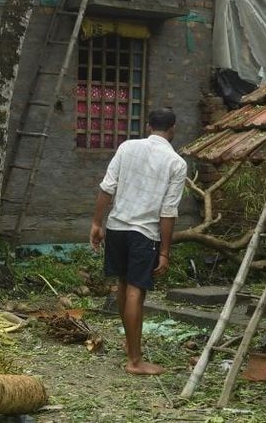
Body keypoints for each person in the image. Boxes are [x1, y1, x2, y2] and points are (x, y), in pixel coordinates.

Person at [89, 108, 187, 375]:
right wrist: (164, 252)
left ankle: (129, 342)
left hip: (116, 228)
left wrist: (97, 223)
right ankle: (134, 360)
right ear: (173, 128)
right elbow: (168, 212)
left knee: (123, 284)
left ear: (147, 126)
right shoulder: (176, 163)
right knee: (136, 292)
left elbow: (107, 187)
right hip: (144, 234)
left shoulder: (127, 147)